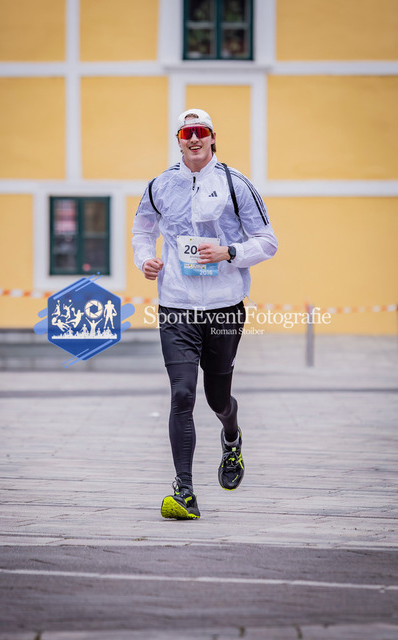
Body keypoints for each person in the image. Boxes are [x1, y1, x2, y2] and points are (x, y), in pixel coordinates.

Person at [132, 108, 278, 520]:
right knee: (182, 394)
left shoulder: (235, 184)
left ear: (213, 137)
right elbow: (142, 229)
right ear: (178, 140)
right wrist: (145, 259)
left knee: (217, 398)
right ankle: (185, 492)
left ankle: (231, 437)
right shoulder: (161, 185)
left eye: (200, 132)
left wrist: (230, 252)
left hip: (224, 307)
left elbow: (268, 241)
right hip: (176, 306)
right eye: (186, 133)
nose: (194, 138)